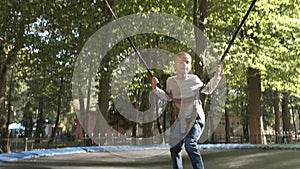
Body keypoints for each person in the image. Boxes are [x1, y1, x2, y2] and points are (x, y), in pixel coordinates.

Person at [151, 51, 222, 169]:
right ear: (174, 65)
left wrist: (217, 75)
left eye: (187, 62)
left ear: (191, 66)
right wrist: (155, 88)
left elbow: (208, 89)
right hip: (182, 119)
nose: (184, 65)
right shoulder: (171, 82)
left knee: (190, 143)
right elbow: (168, 97)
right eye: (181, 62)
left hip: (196, 118)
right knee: (174, 147)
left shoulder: (195, 79)